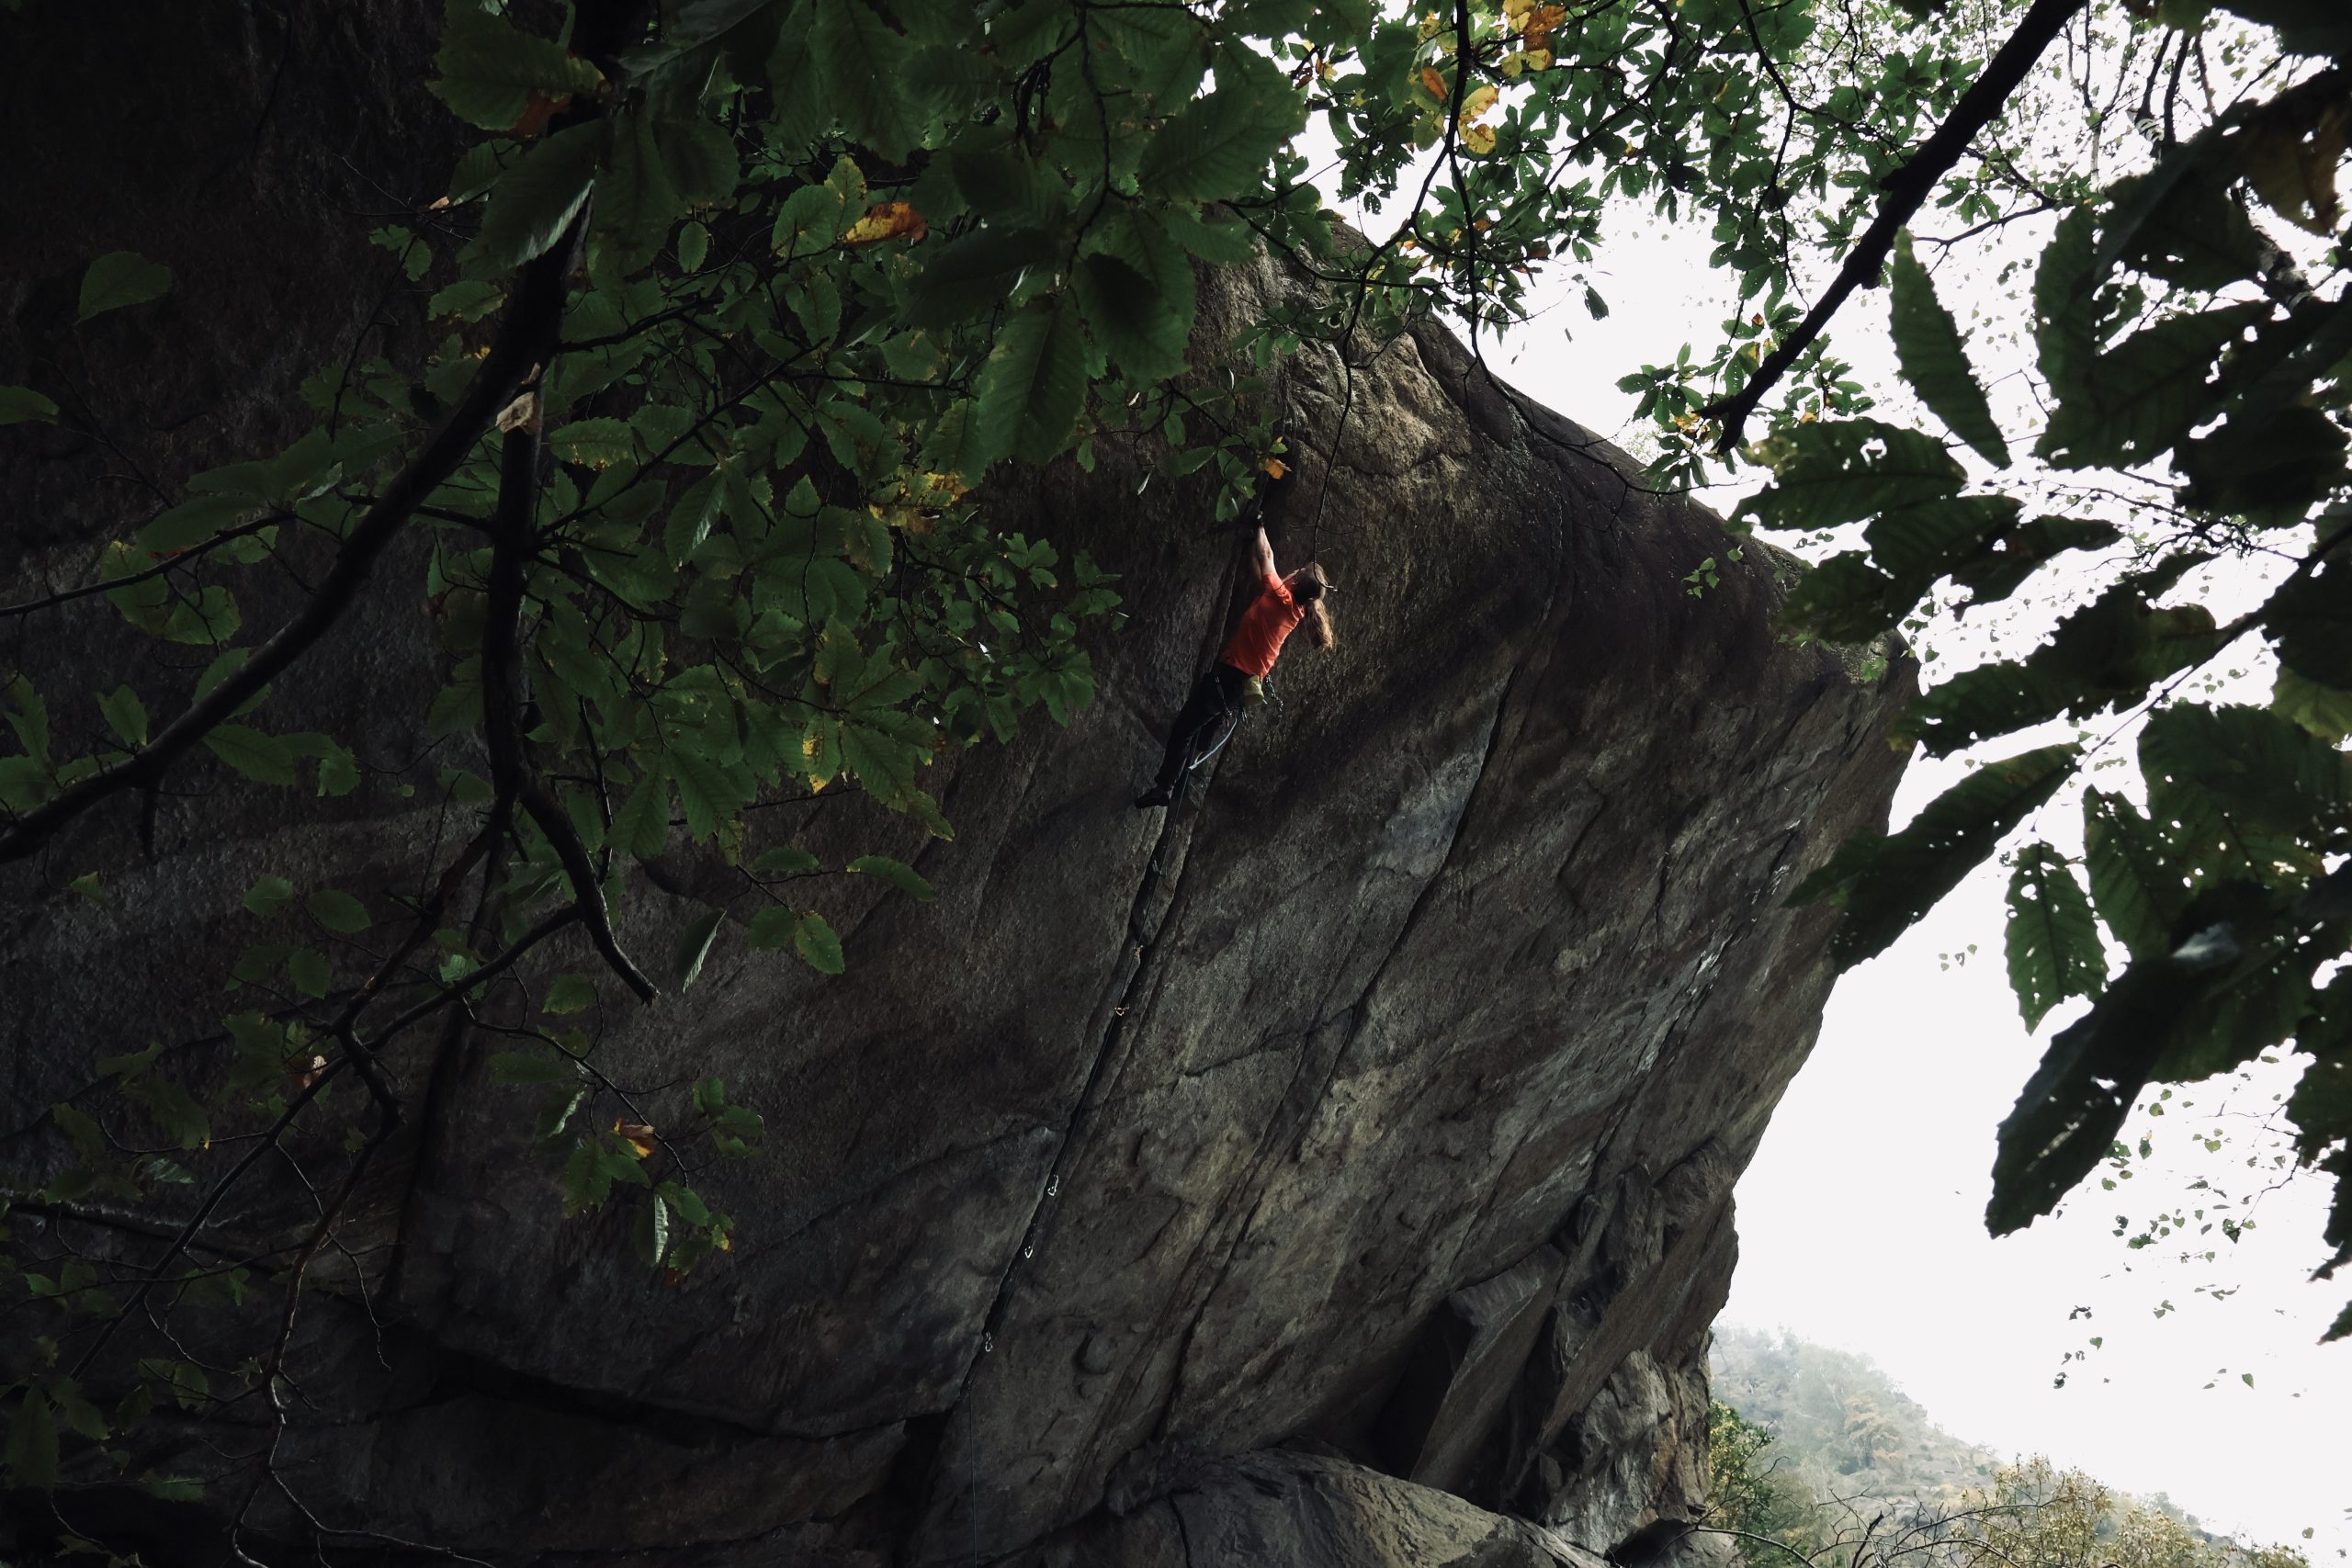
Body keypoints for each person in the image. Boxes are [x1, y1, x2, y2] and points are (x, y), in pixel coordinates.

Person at [1134, 514, 1334, 809]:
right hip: (1239, 683)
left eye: (1299, 570)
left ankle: (1165, 787)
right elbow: (1260, 573)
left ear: (1296, 579)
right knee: (1204, 728)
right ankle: (1190, 778)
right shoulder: (1291, 607)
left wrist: (1260, 525)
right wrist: (1249, 547)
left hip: (1231, 677)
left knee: (1184, 729)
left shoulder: (1281, 597)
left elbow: (1266, 556)